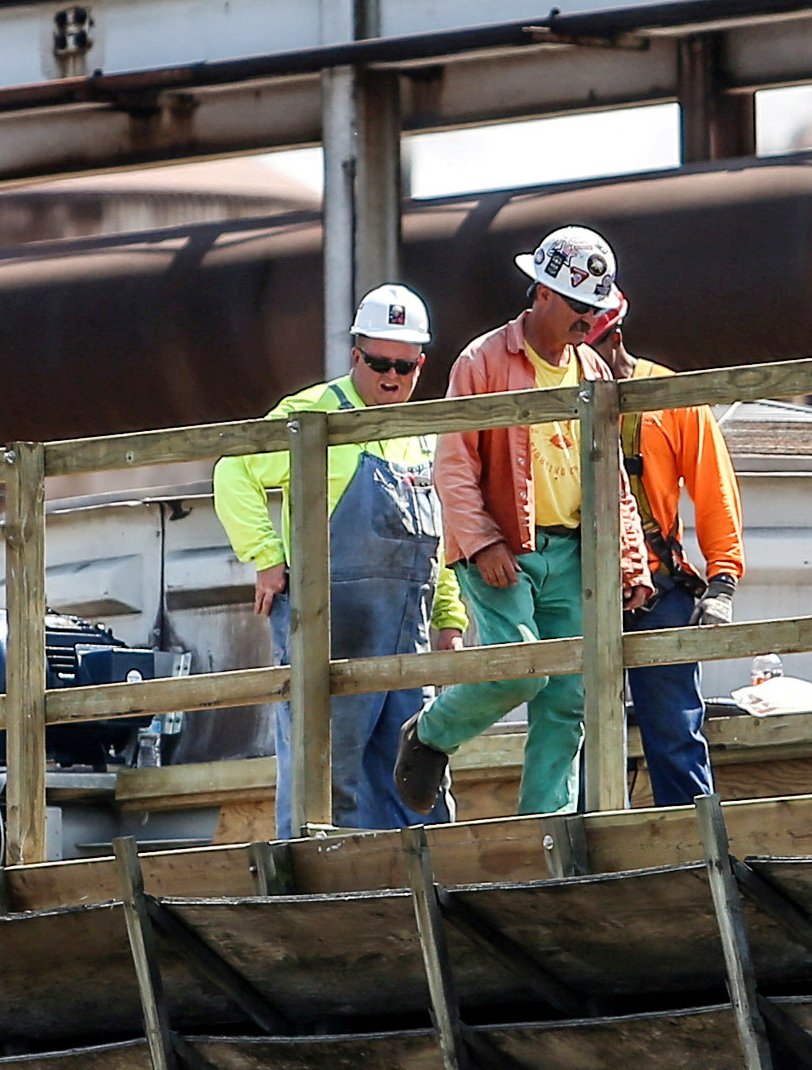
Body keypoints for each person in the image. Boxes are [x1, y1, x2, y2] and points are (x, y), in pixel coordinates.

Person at [394, 226, 652, 818]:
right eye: (578, 305)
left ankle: (548, 828)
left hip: (572, 551)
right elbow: (454, 464)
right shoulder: (483, 360)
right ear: (541, 294)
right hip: (502, 545)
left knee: (568, 696)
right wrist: (483, 543)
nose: (588, 319)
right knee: (518, 668)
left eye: (595, 308)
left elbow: (611, 476)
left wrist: (630, 560)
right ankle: (431, 734)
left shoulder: (594, 372)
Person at [214, 284, 466, 835]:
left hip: (408, 636)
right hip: (332, 629)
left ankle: (421, 882)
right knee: (327, 773)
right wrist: (265, 557)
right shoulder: (312, 416)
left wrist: (450, 616)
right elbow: (234, 469)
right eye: (378, 362)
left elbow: (438, 536)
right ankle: (319, 889)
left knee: (416, 768)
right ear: (356, 355)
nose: (391, 376)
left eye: (405, 365)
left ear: (421, 364)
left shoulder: (418, 436)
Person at [587, 297, 742, 806]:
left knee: (675, 733)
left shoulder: (671, 397)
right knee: (580, 737)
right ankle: (586, 865)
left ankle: (696, 854)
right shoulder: (558, 399)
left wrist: (722, 579)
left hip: (658, 589)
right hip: (579, 589)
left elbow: (712, 485)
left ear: (613, 339)